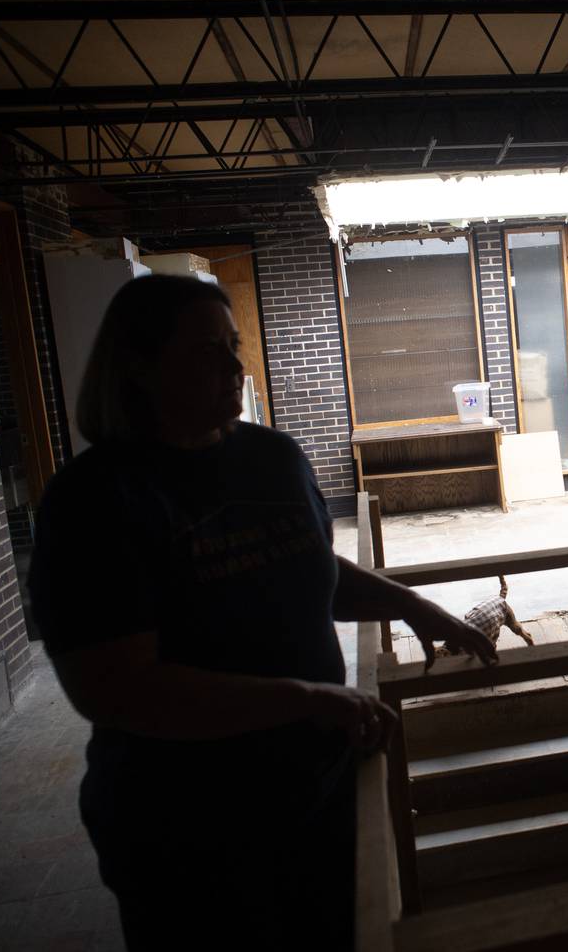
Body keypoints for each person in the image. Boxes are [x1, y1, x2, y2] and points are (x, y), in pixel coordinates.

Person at [28, 274, 498, 950]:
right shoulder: (94, 501)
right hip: (186, 830)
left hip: (315, 790)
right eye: (204, 353)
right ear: (138, 368)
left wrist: (411, 605)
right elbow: (119, 689)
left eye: (234, 345)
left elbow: (301, 567)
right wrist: (305, 699)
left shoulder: (271, 458)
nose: (234, 368)